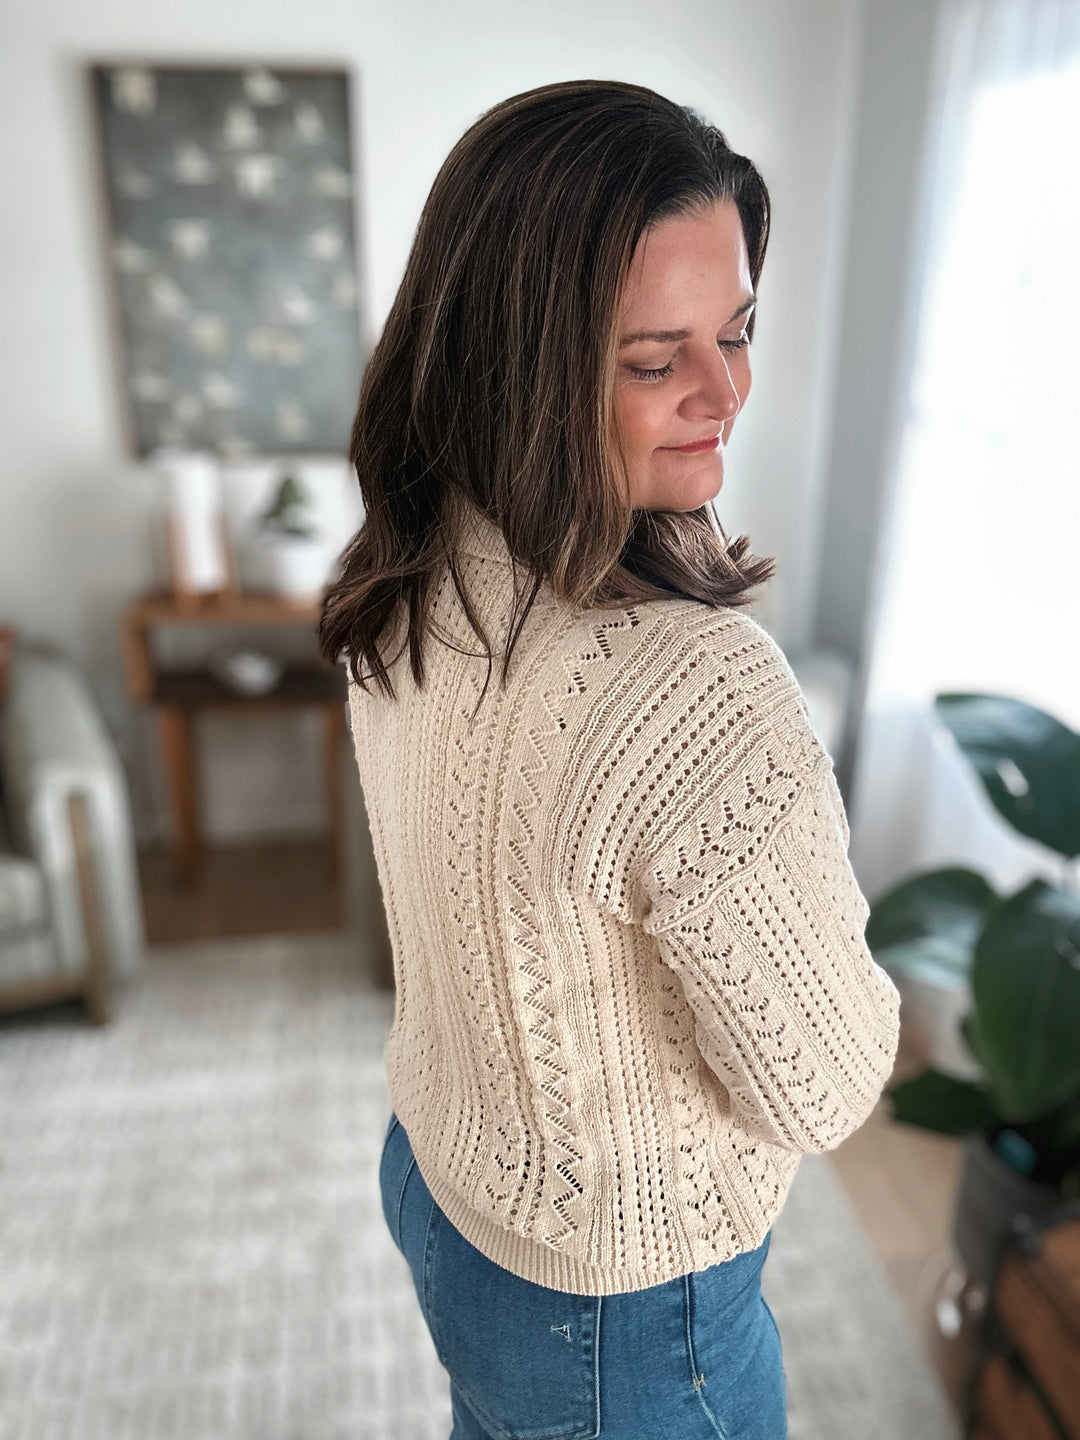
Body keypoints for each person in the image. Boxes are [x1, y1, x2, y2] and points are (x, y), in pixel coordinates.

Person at [318, 78, 902, 1440]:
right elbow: (823, 1080)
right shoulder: (697, 689)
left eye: (740, 332)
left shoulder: (408, 566)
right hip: (627, 1311)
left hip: (446, 1186)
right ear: (519, 364)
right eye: (657, 360)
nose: (727, 392)